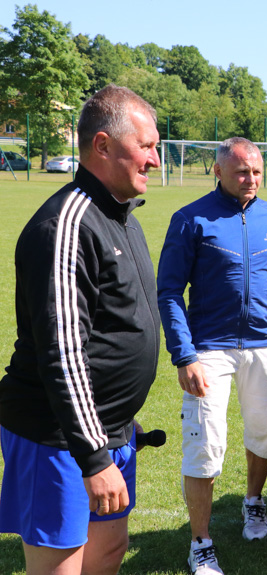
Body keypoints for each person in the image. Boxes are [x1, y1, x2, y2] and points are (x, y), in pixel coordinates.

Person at [0, 84, 161, 575]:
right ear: (104, 146)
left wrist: (118, 414)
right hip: (56, 436)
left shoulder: (122, 216)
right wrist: (93, 456)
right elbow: (63, 353)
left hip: (106, 427)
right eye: (147, 146)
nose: (155, 159)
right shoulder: (66, 226)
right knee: (60, 568)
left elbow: (115, 328)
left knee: (109, 552)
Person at [157, 137, 267, 575]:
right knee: (205, 447)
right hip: (209, 351)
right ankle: (200, 543)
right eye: (242, 172)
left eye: (257, 172)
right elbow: (169, 292)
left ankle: (254, 501)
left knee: (264, 433)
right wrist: (185, 356)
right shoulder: (189, 219)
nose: (251, 179)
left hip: (264, 347)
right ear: (218, 171)